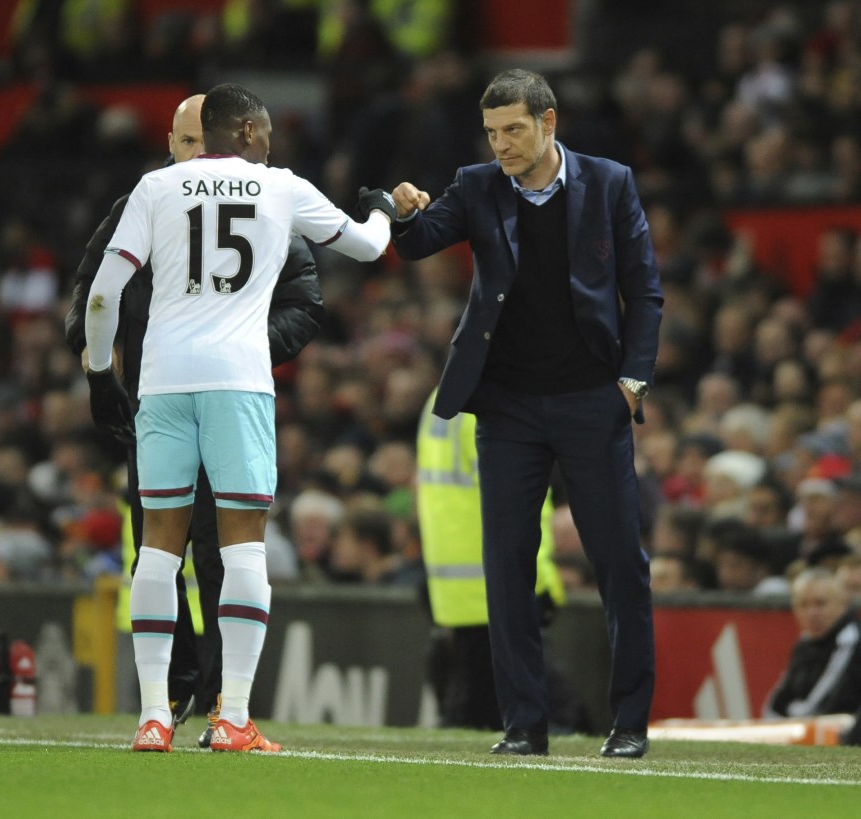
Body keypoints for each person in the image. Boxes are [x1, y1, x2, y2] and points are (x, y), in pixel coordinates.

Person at [84, 82, 394, 753]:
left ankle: (152, 717)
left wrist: (98, 367)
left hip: (162, 385)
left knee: (158, 549)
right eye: (269, 131)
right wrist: (383, 208)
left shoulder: (156, 188)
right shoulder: (280, 187)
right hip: (239, 381)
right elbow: (369, 247)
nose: (274, 142)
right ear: (248, 133)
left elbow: (104, 289)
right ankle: (233, 716)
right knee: (243, 545)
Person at [390, 69, 663, 758]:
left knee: (618, 564)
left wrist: (631, 383)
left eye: (513, 129)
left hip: (590, 400)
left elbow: (645, 291)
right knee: (506, 566)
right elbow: (421, 241)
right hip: (507, 405)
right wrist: (403, 209)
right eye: (492, 132)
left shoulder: (609, 181)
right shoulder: (478, 184)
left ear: (549, 122)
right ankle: (523, 725)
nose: (501, 144)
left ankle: (629, 723)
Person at [416, 387, 574, 732]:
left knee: (470, 712)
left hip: (453, 584)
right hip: (499, 578)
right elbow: (520, 502)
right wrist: (543, 580)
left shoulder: (441, 397)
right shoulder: (499, 400)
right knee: (552, 716)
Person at [763, 567, 861, 719]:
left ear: (843, 604)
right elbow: (778, 700)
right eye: (803, 605)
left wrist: (786, 721)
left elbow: (827, 704)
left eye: (820, 604)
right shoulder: (805, 642)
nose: (812, 613)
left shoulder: (852, 641)